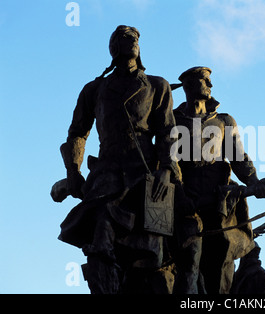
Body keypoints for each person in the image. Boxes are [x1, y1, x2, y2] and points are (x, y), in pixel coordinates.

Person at [55, 25, 180, 294]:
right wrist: (73, 172)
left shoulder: (158, 86)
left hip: (147, 172)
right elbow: (77, 133)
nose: (133, 41)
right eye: (125, 38)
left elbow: (167, 131)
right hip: (107, 173)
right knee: (100, 234)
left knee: (155, 252)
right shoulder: (94, 89)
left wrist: (167, 169)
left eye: (135, 38)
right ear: (113, 47)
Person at [171, 66, 265, 294]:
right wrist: (179, 193)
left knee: (220, 255)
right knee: (187, 257)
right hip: (185, 200)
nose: (210, 85)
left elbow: (238, 158)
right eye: (205, 80)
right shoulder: (173, 120)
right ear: (188, 85)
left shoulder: (224, 121)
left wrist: (254, 182)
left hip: (218, 201)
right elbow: (167, 160)